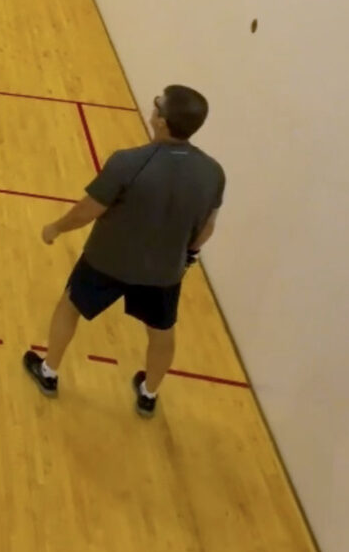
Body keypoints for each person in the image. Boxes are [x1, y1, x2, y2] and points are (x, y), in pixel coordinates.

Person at [22, 84, 223, 417]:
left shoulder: (128, 163)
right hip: (164, 272)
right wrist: (189, 254)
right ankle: (149, 393)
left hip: (105, 262)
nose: (152, 107)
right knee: (161, 332)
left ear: (161, 120)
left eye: (157, 104)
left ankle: (49, 372)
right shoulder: (213, 173)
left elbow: (88, 210)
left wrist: (55, 228)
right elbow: (207, 227)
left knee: (69, 307)